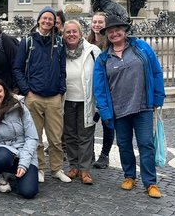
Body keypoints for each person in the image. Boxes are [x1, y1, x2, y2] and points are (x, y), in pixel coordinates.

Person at [93, 16, 166, 199]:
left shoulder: (141, 48)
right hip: (118, 109)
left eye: (118, 29)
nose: (114, 33)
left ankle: (150, 182)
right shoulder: (103, 58)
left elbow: (156, 71)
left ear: (124, 31)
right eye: (110, 31)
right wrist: (105, 111)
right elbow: (99, 88)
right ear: (106, 34)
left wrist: (158, 96)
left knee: (145, 144)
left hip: (142, 106)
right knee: (124, 144)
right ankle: (129, 176)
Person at [12, 7, 70, 183]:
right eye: (44, 18)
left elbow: (62, 70)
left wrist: (61, 91)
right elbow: (17, 68)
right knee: (35, 137)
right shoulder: (28, 41)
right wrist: (27, 91)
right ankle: (39, 168)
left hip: (54, 97)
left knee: (56, 138)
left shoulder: (59, 43)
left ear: (54, 22)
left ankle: (57, 169)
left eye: (50, 19)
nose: (47, 21)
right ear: (38, 20)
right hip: (34, 96)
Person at [0, 78, 39, 199]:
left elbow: (32, 138)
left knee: (29, 192)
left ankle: (16, 173)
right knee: (1, 156)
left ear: (5, 91)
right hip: (1, 152)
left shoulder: (20, 107)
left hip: (23, 152)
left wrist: (23, 164)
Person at [62, 20, 101, 185]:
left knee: (85, 136)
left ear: (81, 33)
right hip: (66, 100)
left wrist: (100, 103)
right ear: (63, 35)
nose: (71, 35)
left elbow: (100, 77)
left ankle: (85, 169)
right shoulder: (59, 51)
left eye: (74, 32)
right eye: (68, 32)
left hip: (86, 100)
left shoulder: (93, 51)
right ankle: (73, 166)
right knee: (69, 135)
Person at [86, 12, 114, 169]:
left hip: (106, 89)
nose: (97, 25)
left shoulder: (110, 44)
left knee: (107, 122)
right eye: (94, 22)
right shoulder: (86, 42)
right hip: (89, 89)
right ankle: (89, 152)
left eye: (100, 22)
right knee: (88, 122)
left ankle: (105, 155)